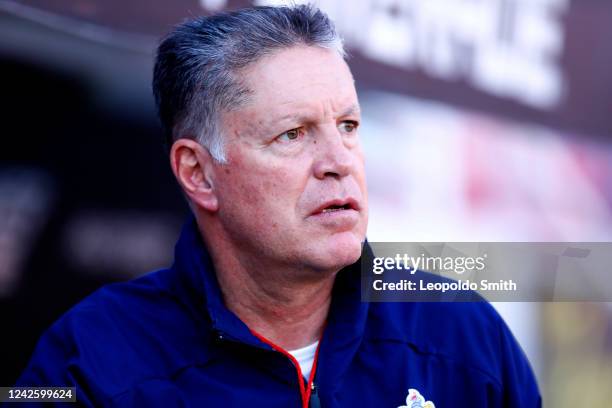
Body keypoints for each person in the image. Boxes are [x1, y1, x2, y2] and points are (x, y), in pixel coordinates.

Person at [15, 5, 540, 407]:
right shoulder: (87, 354)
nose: (338, 161)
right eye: (293, 134)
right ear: (198, 173)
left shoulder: (460, 329)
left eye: (349, 127)